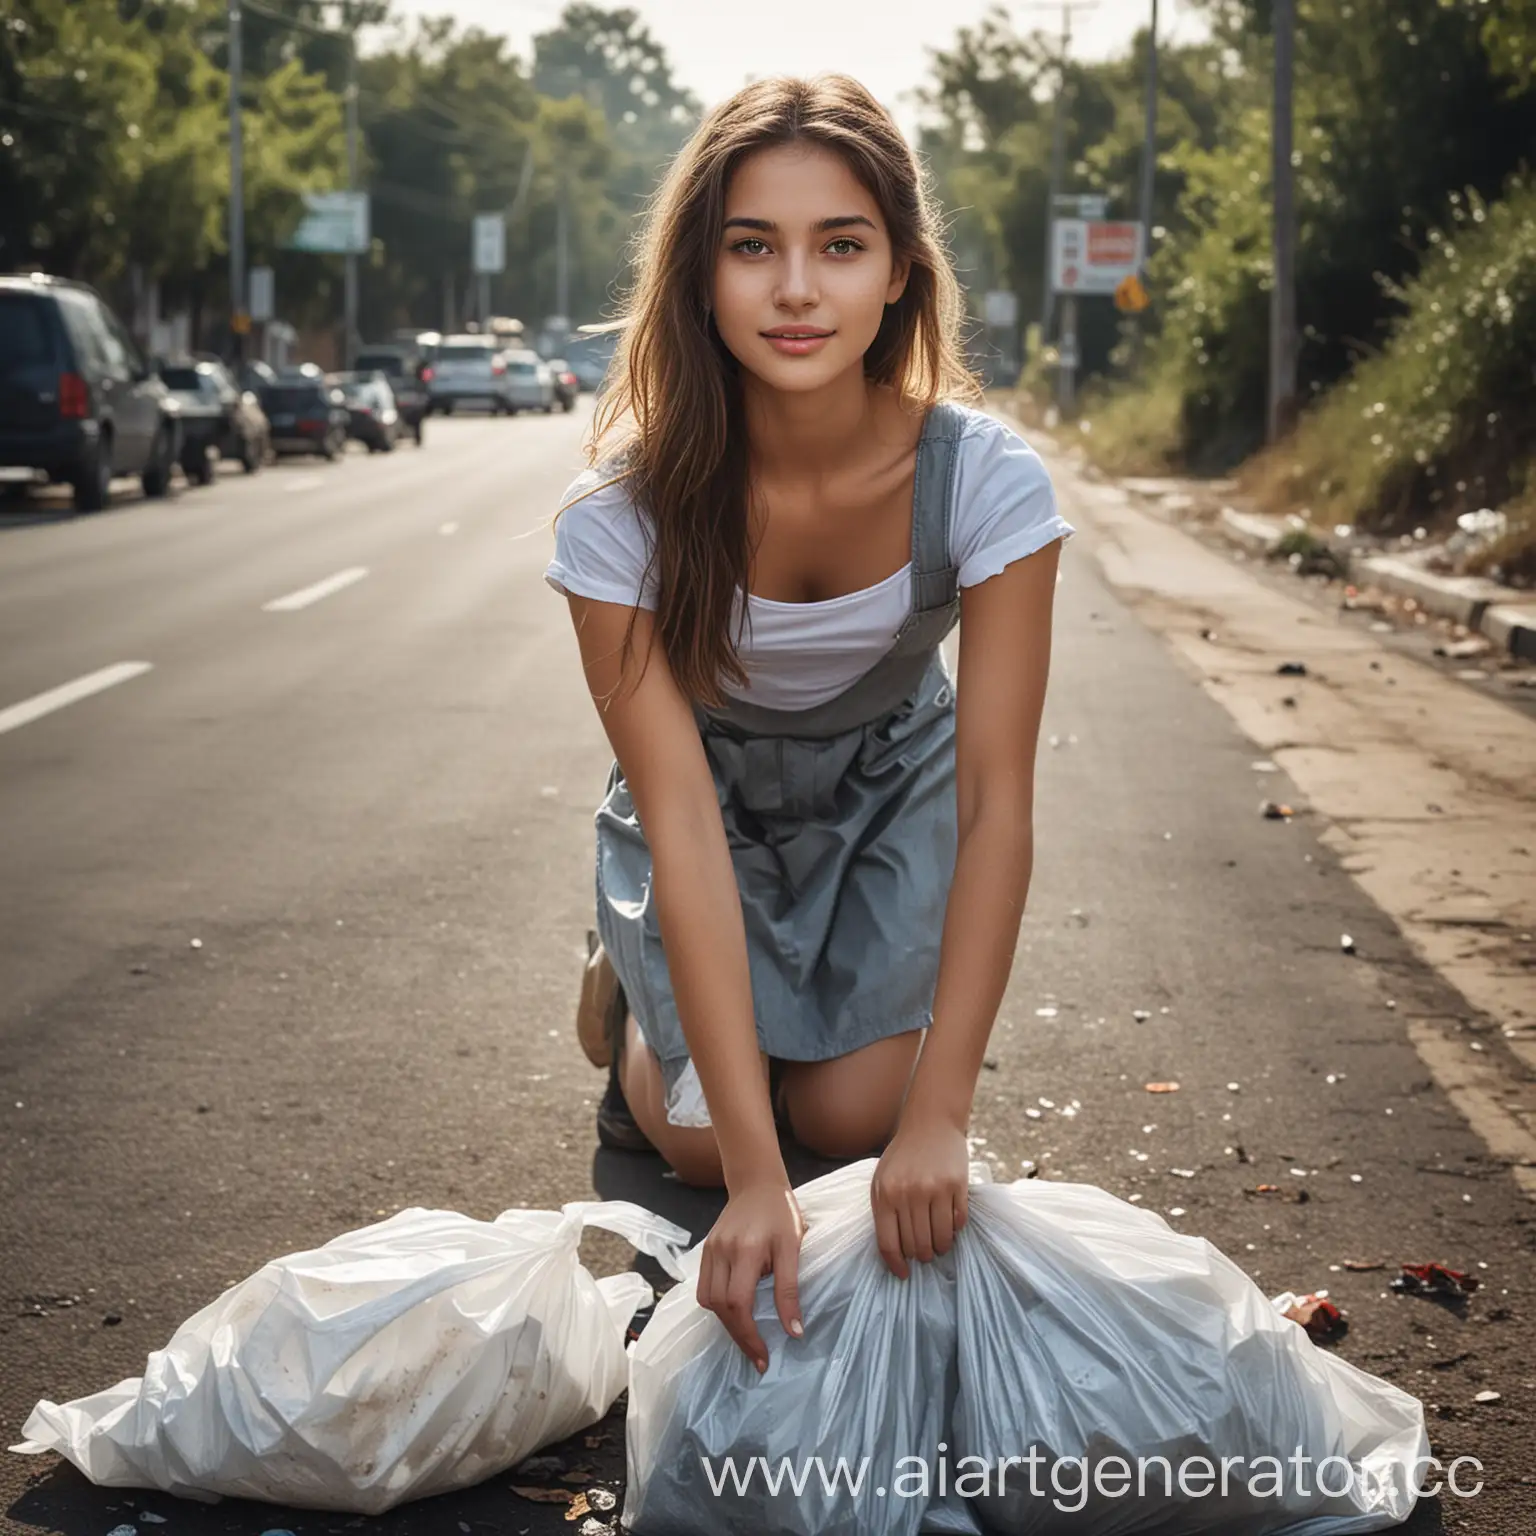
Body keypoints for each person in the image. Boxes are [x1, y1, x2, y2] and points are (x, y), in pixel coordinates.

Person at [546, 75, 1073, 1377]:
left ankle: (804, 1051)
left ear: (899, 269)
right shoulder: (619, 521)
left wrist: (942, 1119)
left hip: (896, 782)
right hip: (705, 803)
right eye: (751, 246)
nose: (796, 288)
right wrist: (755, 1191)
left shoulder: (986, 482)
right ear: (701, 274)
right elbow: (680, 819)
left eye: (840, 244)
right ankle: (631, 1005)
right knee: (702, 1138)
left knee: (863, 1111)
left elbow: (1001, 802)